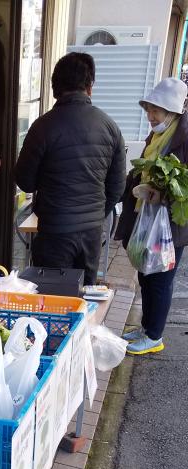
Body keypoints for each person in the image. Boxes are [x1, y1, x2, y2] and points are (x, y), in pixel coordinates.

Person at [15, 52, 126, 285]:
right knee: (84, 295)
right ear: (89, 87)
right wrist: (94, 214)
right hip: (91, 232)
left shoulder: (42, 127)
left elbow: (25, 181)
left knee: (51, 295)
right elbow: (117, 187)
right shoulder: (109, 126)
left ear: (55, 87)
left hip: (54, 229)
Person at [116, 77, 188, 355]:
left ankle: (154, 336)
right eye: (148, 110)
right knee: (146, 273)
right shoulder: (159, 135)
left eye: (155, 111)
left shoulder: (183, 138)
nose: (150, 117)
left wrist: (164, 195)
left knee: (160, 278)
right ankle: (146, 328)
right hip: (147, 217)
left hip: (170, 224)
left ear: (171, 111)